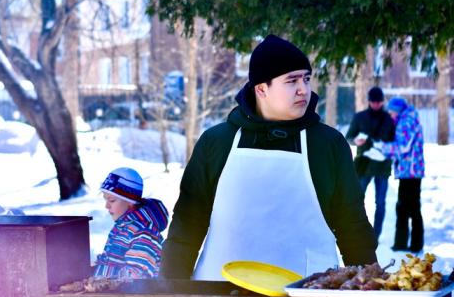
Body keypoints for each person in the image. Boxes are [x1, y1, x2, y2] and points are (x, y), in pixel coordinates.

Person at [160, 34, 377, 280]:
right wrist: (170, 290)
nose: (303, 89)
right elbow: (188, 222)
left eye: (306, 79)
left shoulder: (328, 144)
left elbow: (352, 225)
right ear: (261, 89)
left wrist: (369, 287)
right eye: (291, 80)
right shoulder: (217, 142)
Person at [93, 167, 169, 279]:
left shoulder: (145, 233)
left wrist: (101, 278)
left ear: (130, 203)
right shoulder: (122, 228)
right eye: (106, 200)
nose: (107, 206)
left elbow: (134, 276)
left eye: (112, 200)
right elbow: (112, 261)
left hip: (136, 296)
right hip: (114, 294)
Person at [373, 97, 425, 253]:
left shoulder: (406, 122)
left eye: (392, 111)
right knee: (411, 207)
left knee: (405, 207)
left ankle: (404, 244)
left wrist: (382, 147)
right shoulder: (409, 119)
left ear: (398, 110)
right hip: (411, 170)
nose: (390, 114)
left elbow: (402, 147)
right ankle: (413, 244)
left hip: (410, 171)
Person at [345, 86, 396, 242]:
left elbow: (395, 141)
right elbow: (349, 136)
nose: (376, 105)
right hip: (363, 165)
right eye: (373, 102)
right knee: (357, 199)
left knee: (380, 202)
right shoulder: (359, 117)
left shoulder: (388, 119)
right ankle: (356, 230)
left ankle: (376, 235)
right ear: (369, 101)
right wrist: (355, 140)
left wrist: (385, 146)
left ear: (382, 102)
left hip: (382, 166)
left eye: (378, 102)